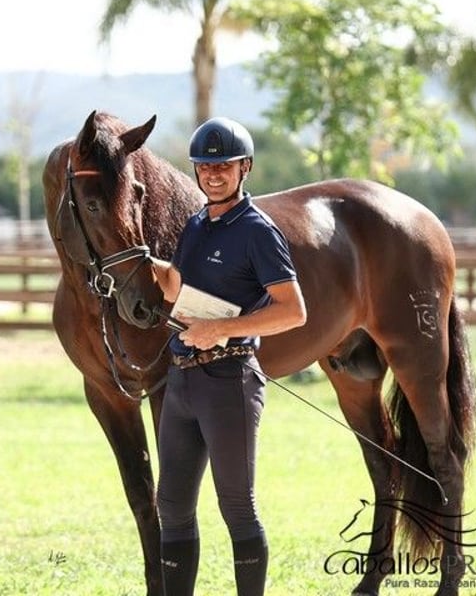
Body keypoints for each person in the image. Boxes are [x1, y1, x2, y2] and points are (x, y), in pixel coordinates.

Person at [151, 117, 307, 596]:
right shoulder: (196, 224)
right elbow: (179, 288)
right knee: (171, 506)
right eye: (205, 166)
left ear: (245, 168)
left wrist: (221, 329)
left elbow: (293, 311)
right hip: (181, 381)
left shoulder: (259, 231)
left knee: (237, 508)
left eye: (224, 166)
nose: (213, 174)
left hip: (230, 381)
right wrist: (146, 265)